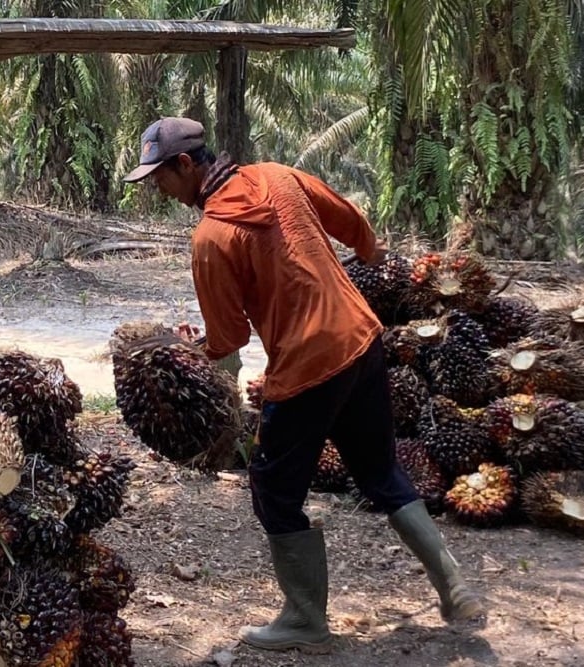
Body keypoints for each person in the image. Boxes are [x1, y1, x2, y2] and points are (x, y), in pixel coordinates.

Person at [123, 117, 484, 653]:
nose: (158, 189)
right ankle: (454, 588)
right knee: (380, 471)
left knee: (273, 489)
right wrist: (370, 252)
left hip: (307, 369)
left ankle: (306, 620)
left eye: (160, 178)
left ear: (185, 164)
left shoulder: (212, 237)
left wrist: (188, 349)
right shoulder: (277, 176)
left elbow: (229, 338)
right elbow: (349, 218)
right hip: (362, 341)